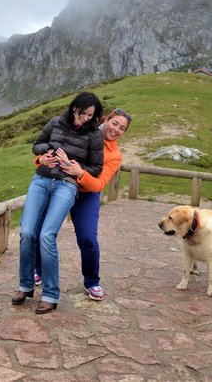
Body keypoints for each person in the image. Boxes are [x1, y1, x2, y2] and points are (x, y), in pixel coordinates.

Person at [12, 92, 104, 314]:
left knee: (46, 235)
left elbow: (97, 168)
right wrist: (44, 155)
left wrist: (76, 169)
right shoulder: (55, 122)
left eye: (91, 115)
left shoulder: (94, 135)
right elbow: (37, 144)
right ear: (75, 109)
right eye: (84, 114)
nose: (87, 119)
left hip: (66, 185)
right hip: (41, 179)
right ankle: (25, 286)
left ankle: (51, 295)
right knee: (26, 233)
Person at [34, 108, 132, 301]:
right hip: (58, 185)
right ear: (107, 119)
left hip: (86, 194)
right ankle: (38, 269)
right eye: (115, 123)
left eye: (122, 128)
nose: (116, 130)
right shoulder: (81, 128)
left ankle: (92, 281)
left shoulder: (115, 155)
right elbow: (52, 147)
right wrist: (40, 160)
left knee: (88, 238)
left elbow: (99, 184)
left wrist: (80, 173)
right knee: (41, 230)